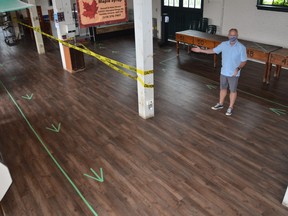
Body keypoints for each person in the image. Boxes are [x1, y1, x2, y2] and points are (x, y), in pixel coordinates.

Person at [191, 28, 247, 116]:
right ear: (228, 36)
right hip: (224, 72)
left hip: (234, 74)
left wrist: (238, 68)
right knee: (223, 89)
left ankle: (230, 107)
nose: (233, 37)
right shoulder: (224, 44)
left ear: (237, 36)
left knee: (233, 90)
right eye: (231, 35)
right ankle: (220, 104)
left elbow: (244, 61)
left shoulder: (241, 47)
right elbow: (213, 50)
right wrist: (201, 50)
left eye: (234, 35)